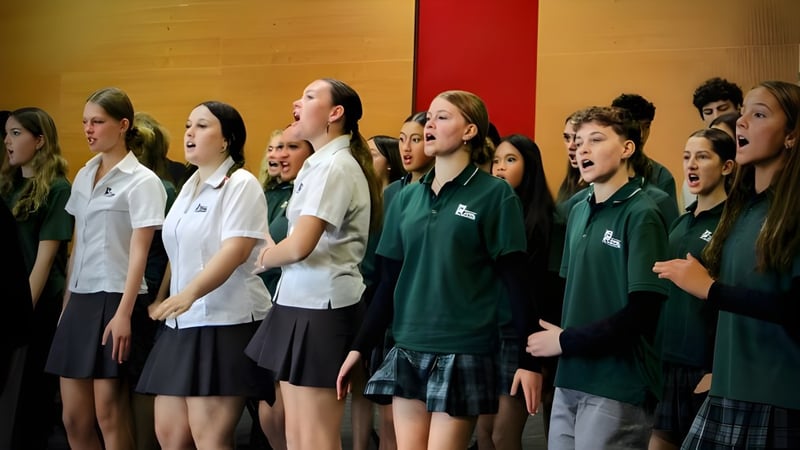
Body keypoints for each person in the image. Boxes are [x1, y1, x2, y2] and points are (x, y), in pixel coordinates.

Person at [338, 90, 542, 450]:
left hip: (465, 348)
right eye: (429, 117)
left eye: (442, 117)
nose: (430, 124)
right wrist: (359, 347)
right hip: (407, 344)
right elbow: (387, 282)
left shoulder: (495, 195)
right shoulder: (405, 198)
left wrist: (529, 361)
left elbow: (516, 282)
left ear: (469, 131)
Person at [654, 80, 800, 449]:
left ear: (792, 135)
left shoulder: (793, 211)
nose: (741, 122)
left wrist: (710, 289)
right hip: (727, 390)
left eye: (759, 114)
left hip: (778, 396)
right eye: (743, 112)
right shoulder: (741, 209)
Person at [245, 78, 382, 450]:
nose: (297, 102)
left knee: (315, 437)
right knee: (296, 436)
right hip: (296, 300)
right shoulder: (317, 163)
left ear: (335, 113)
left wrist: (263, 257)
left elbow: (300, 247)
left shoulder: (336, 166)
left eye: (308, 96)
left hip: (322, 307)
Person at [527, 105, 668, 449]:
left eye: (596, 140)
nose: (582, 149)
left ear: (627, 148)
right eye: (578, 142)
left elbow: (643, 311)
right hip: (571, 377)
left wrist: (566, 341)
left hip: (618, 381)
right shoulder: (578, 210)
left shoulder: (642, 214)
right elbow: (568, 295)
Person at [134, 101, 273, 450]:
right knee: (169, 434)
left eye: (202, 125)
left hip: (225, 321)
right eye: (187, 125)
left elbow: (235, 250)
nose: (190, 133)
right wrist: (166, 297)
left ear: (227, 140)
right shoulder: (188, 186)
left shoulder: (240, 184)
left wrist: (190, 293)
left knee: (208, 435)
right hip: (181, 322)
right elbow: (178, 251)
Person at [45, 87, 167, 450]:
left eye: (97, 121)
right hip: (80, 300)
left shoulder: (143, 181)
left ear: (123, 125)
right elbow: (78, 246)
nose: (88, 129)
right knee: (73, 418)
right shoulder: (84, 175)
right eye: (85, 121)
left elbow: (139, 253)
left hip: (116, 299)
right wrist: (66, 304)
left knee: (108, 414)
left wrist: (124, 313)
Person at [649, 128, 735, 450]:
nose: (691, 165)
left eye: (702, 157)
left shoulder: (733, 223)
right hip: (667, 362)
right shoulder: (680, 222)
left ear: (727, 166)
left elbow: (734, 298)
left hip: (705, 366)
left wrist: (717, 370)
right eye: (687, 157)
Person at [476, 134, 554, 450]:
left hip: (521, 337)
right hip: (485, 333)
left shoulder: (546, 221)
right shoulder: (488, 211)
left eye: (510, 160)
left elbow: (545, 291)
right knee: (483, 432)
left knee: (502, 435)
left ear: (529, 166)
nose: (499, 167)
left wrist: (534, 352)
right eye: (496, 160)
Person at [253, 129, 315, 450]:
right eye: (275, 147)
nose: (279, 154)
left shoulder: (306, 194)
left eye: (290, 147)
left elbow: (286, 249)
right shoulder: (263, 193)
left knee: (283, 399)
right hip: (259, 298)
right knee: (268, 397)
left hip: (288, 301)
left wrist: (264, 253)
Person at [126, 111, 178, 450]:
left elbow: (172, 251)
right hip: (130, 290)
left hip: (147, 291)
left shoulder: (162, 188)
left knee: (141, 377)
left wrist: (159, 298)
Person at [611, 93, 677, 204]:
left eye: (646, 127)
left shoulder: (660, 176)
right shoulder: (596, 170)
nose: (641, 135)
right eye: (636, 126)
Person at [259, 128, 293, 226]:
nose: (271, 155)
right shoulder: (264, 194)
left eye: (279, 149)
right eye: (270, 149)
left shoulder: (295, 194)